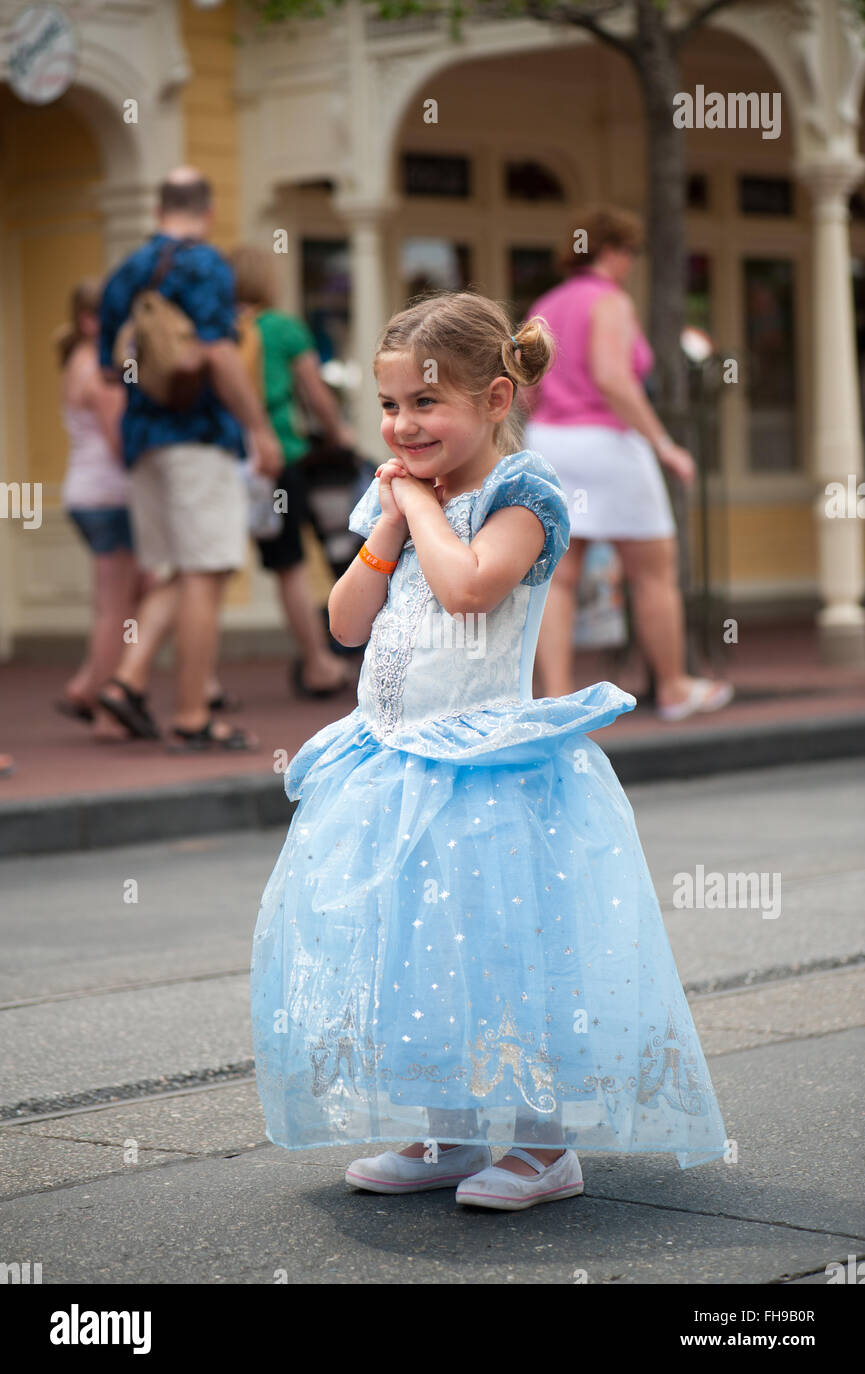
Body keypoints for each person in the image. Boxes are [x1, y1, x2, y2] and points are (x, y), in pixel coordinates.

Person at [250, 291, 727, 1212]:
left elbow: (469, 588)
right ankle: (452, 1130)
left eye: (426, 404)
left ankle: (546, 1148)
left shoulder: (525, 494)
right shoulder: (400, 499)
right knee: (421, 950)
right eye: (390, 406)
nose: (403, 425)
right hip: (391, 762)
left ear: (495, 399)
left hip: (488, 768)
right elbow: (346, 622)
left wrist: (416, 505)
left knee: (508, 949)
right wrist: (387, 523)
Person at [523, 205, 733, 720]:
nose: (631, 264)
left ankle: (555, 698)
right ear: (613, 251)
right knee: (653, 570)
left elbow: (526, 392)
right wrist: (664, 444)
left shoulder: (543, 306)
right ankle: (674, 687)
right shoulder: (610, 301)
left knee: (558, 576)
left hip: (549, 440)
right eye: (630, 253)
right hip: (607, 444)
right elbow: (614, 378)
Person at [98, 167, 282, 751]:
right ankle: (193, 714)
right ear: (207, 209)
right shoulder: (204, 265)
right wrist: (260, 430)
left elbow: (110, 368)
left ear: (159, 206)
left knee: (179, 568)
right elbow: (219, 354)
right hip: (198, 438)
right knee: (208, 570)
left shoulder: (125, 272)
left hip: (143, 440)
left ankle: (126, 683)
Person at [230, 246, 353, 697]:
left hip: (231, 457)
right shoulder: (281, 327)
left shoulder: (220, 329)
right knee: (295, 567)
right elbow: (316, 395)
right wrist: (340, 432)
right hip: (280, 455)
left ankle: (194, 681)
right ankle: (320, 661)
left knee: (210, 569)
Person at [55, 279, 139, 738]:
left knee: (135, 594)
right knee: (115, 610)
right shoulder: (99, 372)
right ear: (90, 320)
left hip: (88, 494)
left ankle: (89, 684)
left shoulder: (77, 361)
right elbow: (120, 444)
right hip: (110, 497)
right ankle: (105, 705)